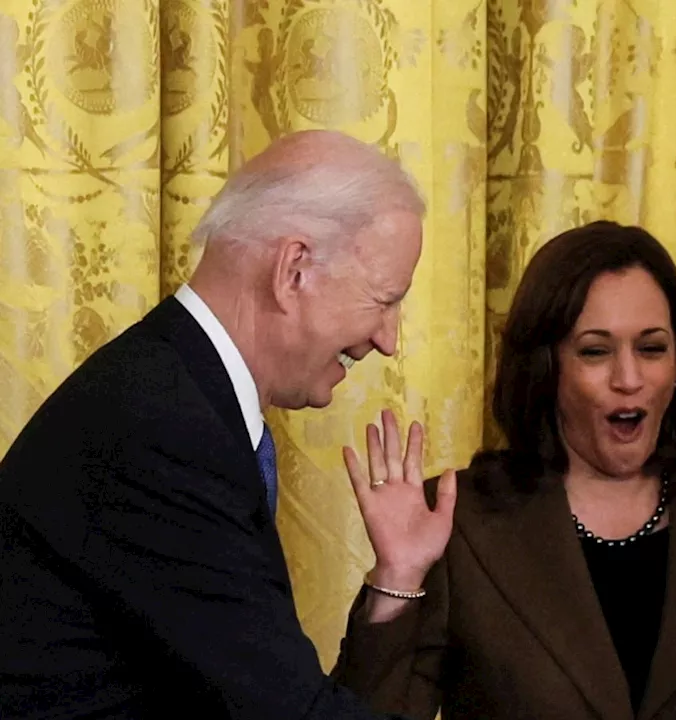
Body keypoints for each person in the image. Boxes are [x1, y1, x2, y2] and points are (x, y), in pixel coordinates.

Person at [328, 220, 676, 719]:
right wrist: (397, 579)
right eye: (595, 351)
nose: (629, 378)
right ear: (547, 369)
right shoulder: (462, 520)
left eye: (651, 348)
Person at [0, 130, 427, 718]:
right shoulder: (162, 427)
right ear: (294, 270)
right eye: (384, 299)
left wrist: (397, 575)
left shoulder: (180, 393)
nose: (387, 339)